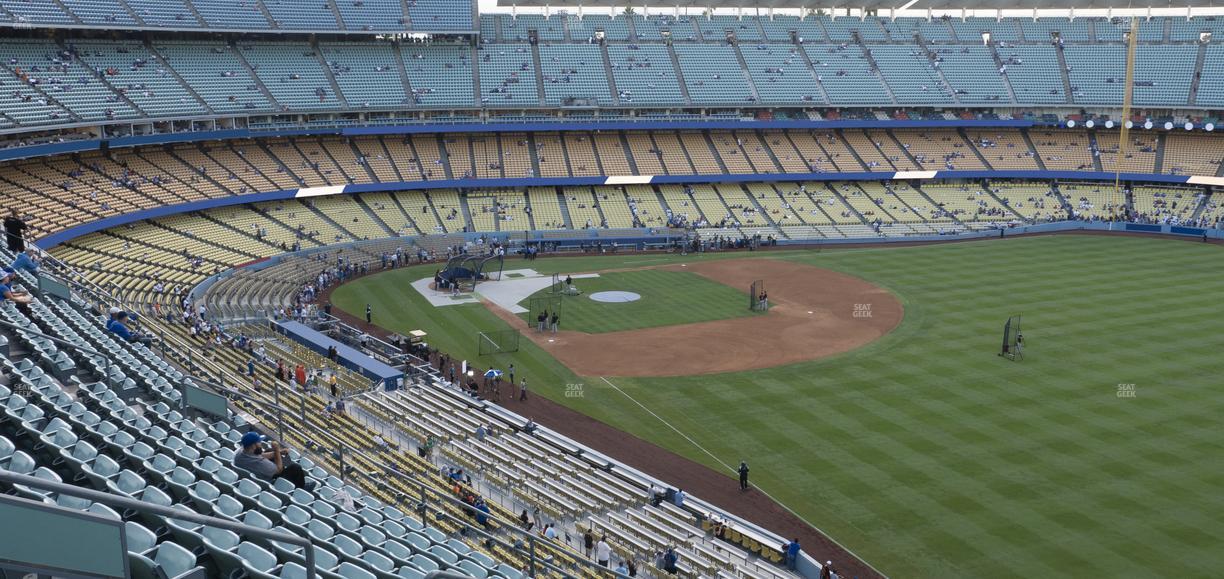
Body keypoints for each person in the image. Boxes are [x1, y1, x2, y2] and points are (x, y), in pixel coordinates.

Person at [233, 431, 313, 489]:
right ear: (253, 445)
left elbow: (259, 455)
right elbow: (279, 470)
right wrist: (277, 450)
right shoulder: (260, 463)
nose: (261, 444)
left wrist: (279, 452)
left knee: (268, 450)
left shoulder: (241, 452)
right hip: (269, 480)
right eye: (259, 442)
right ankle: (301, 488)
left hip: (251, 474)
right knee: (295, 467)